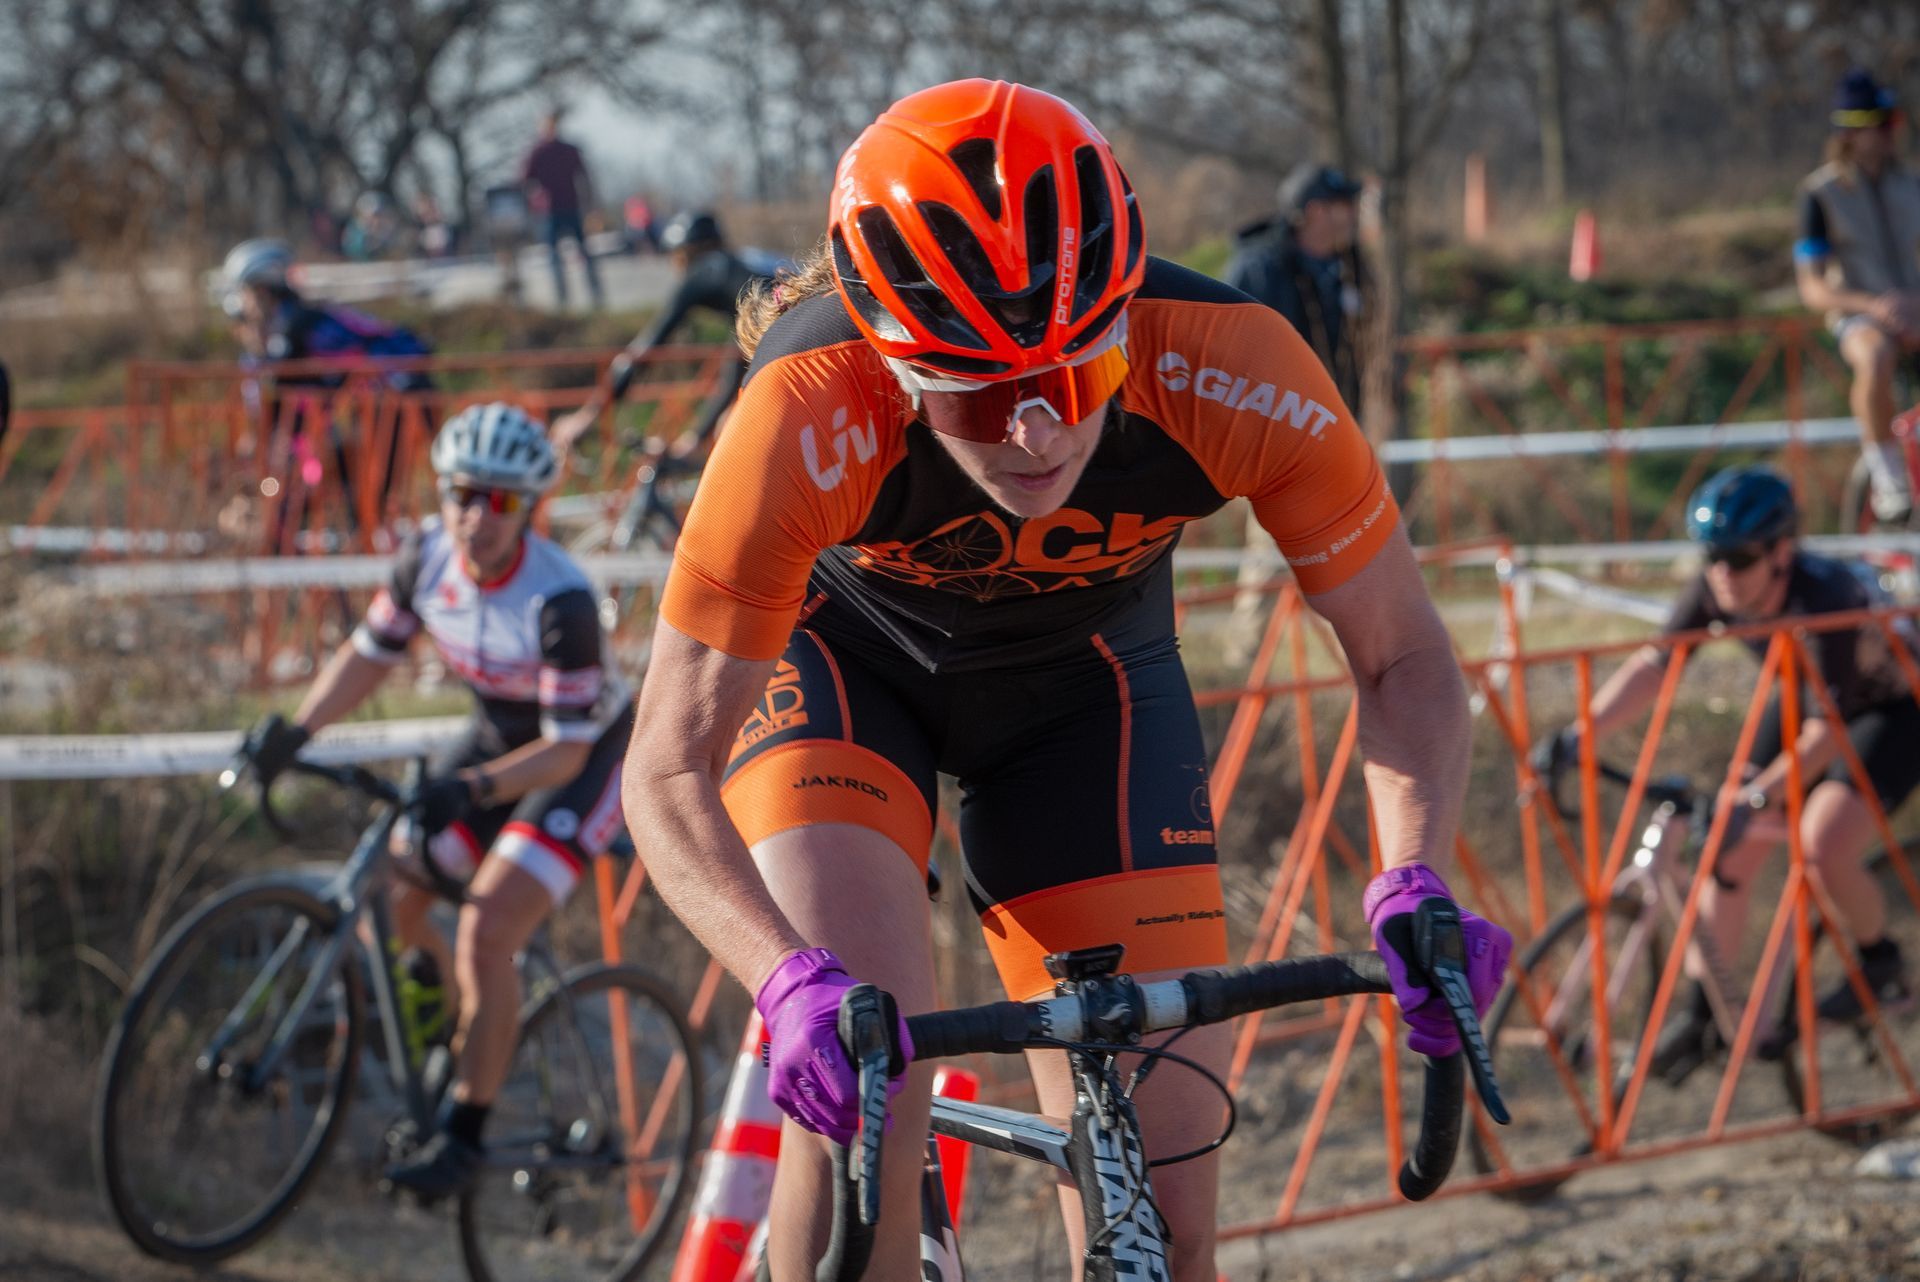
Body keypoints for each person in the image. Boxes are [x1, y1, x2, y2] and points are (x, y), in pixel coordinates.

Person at [620, 80, 1510, 1282]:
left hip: (1085, 697)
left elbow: (1402, 652)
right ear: (892, 361)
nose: (1037, 433)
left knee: (1172, 1220)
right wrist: (785, 981)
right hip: (845, 671)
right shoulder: (804, 405)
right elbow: (666, 766)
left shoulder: (1233, 362)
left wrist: (1414, 871)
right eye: (983, 395)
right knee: (863, 1139)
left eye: (1075, 378)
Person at [239, 403, 635, 1197]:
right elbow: (370, 653)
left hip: (586, 762)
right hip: (494, 741)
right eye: (462, 493)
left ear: (528, 508)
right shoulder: (425, 559)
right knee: (398, 880)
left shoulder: (559, 601)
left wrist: (472, 790)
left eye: (501, 501)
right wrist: (299, 728)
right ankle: (461, 1030)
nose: (476, 516)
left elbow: (566, 748)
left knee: (488, 926)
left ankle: (464, 1134)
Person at [1535, 465, 1919, 1084]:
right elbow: (1657, 666)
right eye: (1711, 557)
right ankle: (1702, 1015)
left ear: (1780, 553)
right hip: (1803, 694)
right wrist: (1581, 735)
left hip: (1892, 710)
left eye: (1738, 559)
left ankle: (1882, 963)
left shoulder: (1827, 597)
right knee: (1724, 846)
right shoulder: (1719, 588)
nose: (1721, 573)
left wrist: (1759, 794)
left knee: (1822, 844)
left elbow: (1833, 726)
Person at [1223, 164, 1372, 661]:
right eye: (1342, 207)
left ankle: (1357, 668)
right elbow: (1227, 355)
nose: (1352, 217)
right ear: (1312, 212)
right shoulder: (1260, 267)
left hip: (1339, 432)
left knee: (1354, 547)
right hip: (1273, 439)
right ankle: (1248, 667)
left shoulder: (1353, 266)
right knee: (1271, 554)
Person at [221, 238, 435, 547]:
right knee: (305, 491)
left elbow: (301, 392)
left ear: (262, 290)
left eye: (246, 295)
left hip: (383, 414)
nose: (245, 309)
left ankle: (356, 539)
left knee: (355, 488)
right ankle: (343, 538)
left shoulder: (306, 328)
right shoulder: (279, 340)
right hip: (334, 432)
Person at [549, 209, 782, 462]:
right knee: (732, 428)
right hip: (812, 338)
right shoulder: (745, 268)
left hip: (788, 355)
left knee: (735, 435)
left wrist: (586, 416)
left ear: (690, 252)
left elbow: (645, 349)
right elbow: (740, 360)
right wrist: (695, 437)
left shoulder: (707, 267)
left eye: (677, 258)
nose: (677, 268)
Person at [1795, 69, 1920, 523]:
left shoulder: (1911, 185)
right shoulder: (1820, 193)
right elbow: (1812, 287)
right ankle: (1889, 478)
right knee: (1874, 357)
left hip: (1915, 308)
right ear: (1855, 130)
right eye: (1882, 124)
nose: (1892, 133)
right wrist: (1873, 306)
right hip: (1860, 315)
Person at [521, 109, 604, 309]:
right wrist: (532, 201)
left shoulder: (568, 150)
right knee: (553, 257)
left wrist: (591, 206)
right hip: (548, 211)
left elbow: (584, 177)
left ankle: (596, 296)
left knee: (584, 252)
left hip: (571, 206)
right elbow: (524, 180)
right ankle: (562, 300)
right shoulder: (537, 152)